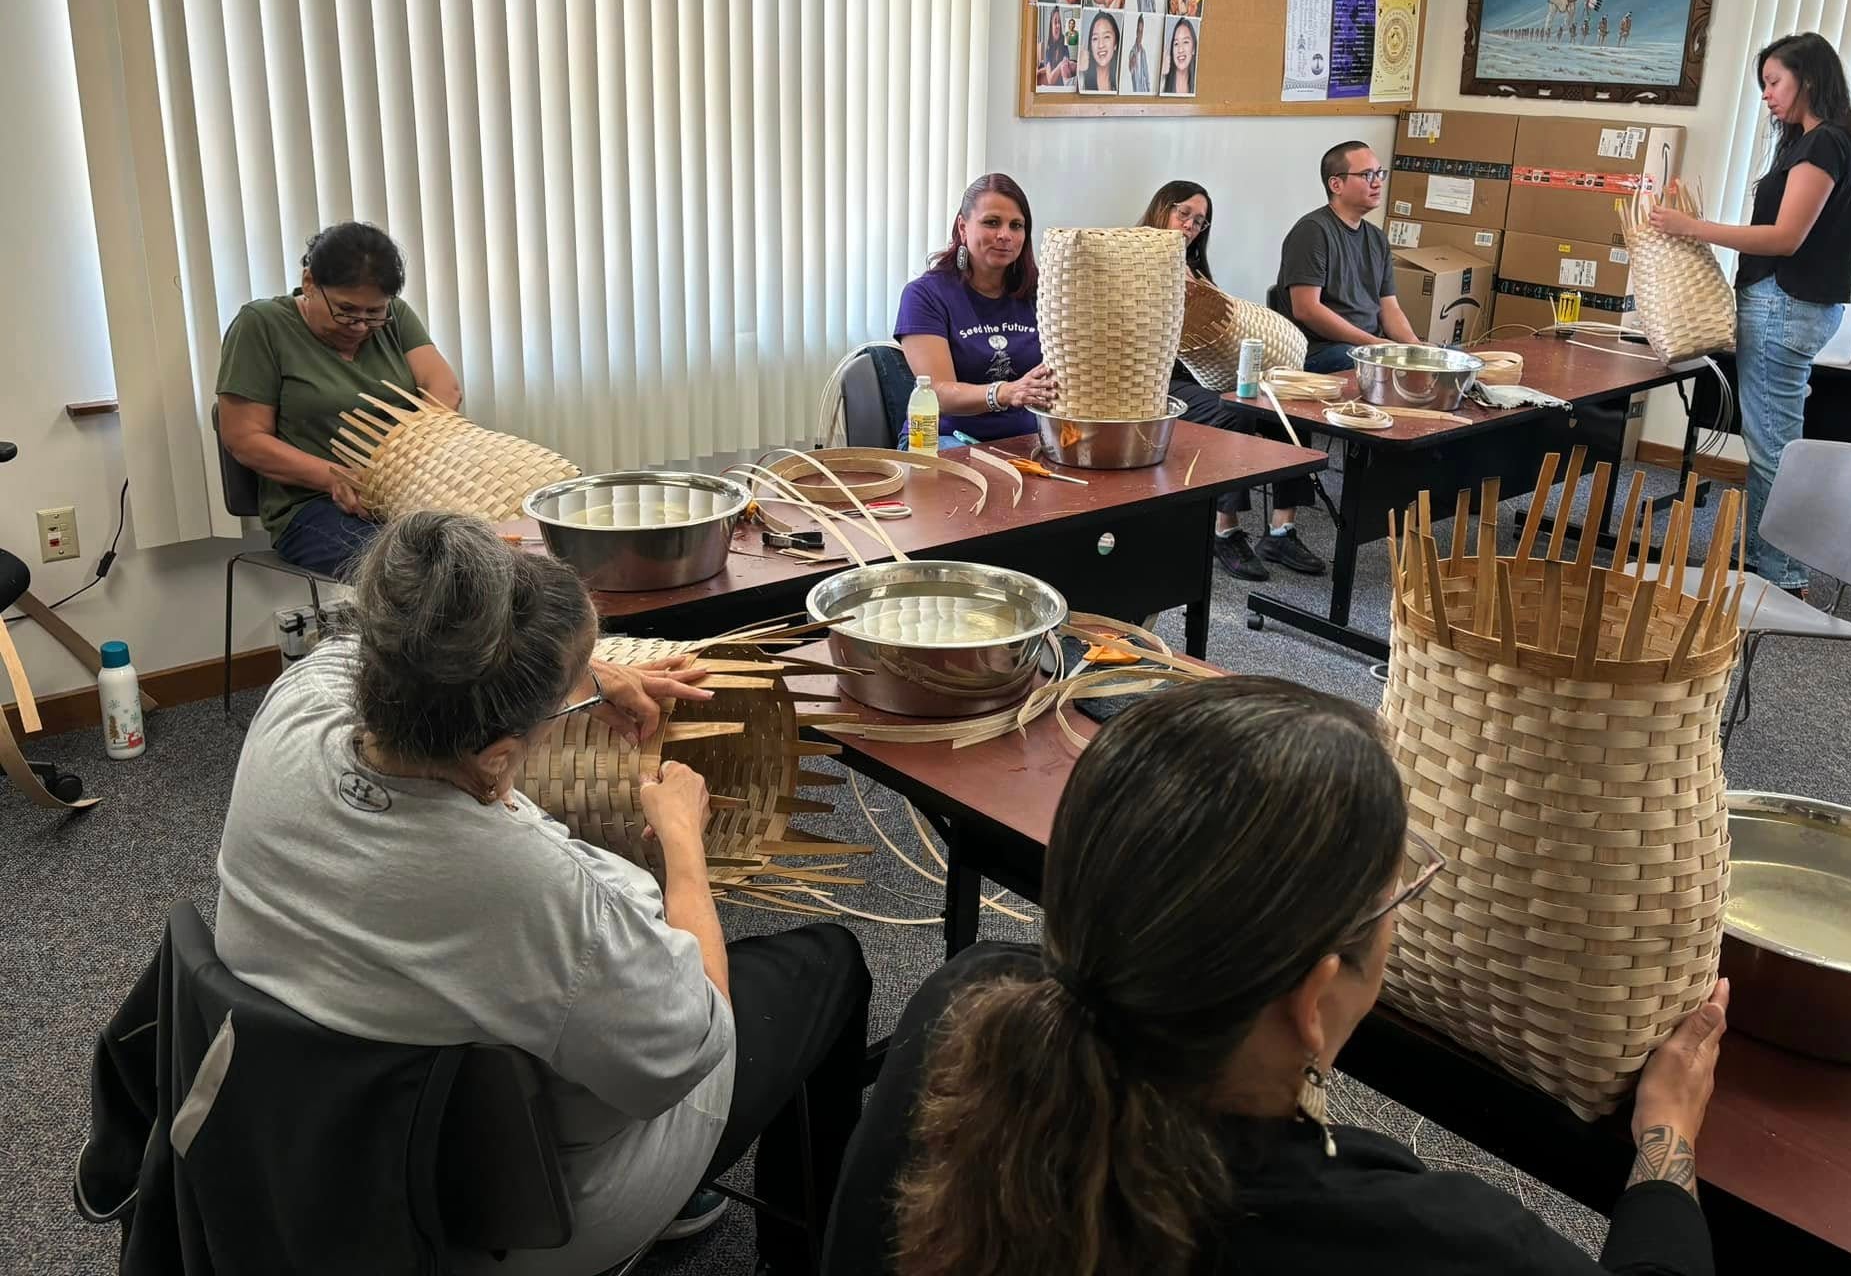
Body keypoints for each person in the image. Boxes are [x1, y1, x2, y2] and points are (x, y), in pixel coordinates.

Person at [821, 678, 1727, 1276]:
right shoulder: (1430, 1243)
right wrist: (1663, 1146)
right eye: (1394, 895)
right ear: (1312, 999)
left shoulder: (960, 1008)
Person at [214, 512, 873, 1274]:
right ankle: (800, 1255)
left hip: (307, 1152)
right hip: (516, 1222)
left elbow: (368, 648)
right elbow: (697, 1039)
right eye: (559, 707)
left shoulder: (294, 711)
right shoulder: (543, 894)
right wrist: (684, 848)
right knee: (827, 962)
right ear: (497, 761)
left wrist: (590, 676)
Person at [1649, 31, 1851, 593]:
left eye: (1775, 83)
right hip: (1795, 306)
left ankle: (1782, 574)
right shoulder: (1828, 140)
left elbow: (1785, 237)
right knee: (1781, 442)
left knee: (1772, 449)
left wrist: (1692, 228)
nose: (1767, 95)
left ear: (1809, 80)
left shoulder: (1823, 145)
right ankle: (1778, 562)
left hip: (1783, 305)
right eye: (1764, 84)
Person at [216, 221, 462, 578]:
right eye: (346, 311)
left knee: (493, 552)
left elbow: (444, 389)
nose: (360, 326)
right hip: (312, 506)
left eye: (374, 313)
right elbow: (245, 439)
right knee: (416, 573)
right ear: (310, 283)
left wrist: (404, 467)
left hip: (406, 492)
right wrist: (337, 478)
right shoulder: (262, 325)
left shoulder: (396, 317)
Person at [1146, 181, 1324, 580]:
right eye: (1184, 214)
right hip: (1159, 379)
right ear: (1162, 209)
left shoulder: (1194, 267)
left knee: (1285, 406)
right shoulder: (1139, 260)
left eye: (1200, 221)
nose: (1191, 225)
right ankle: (1224, 530)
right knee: (1235, 413)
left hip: (1205, 373)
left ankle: (1282, 528)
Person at [896, 174, 1057, 444]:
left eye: (1016, 225)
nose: (1005, 235)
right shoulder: (924, 295)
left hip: (1026, 440)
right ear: (962, 227)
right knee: (987, 483)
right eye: (991, 222)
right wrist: (1005, 393)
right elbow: (937, 393)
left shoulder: (1041, 293)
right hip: (944, 439)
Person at [1277, 141, 1421, 373]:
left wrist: (1415, 348)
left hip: (1366, 347)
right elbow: (1306, 309)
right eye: (1366, 175)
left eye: (1379, 173)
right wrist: (1373, 345)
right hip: (1322, 350)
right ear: (1336, 184)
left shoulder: (1377, 238)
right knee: (1364, 363)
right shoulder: (1312, 231)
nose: (1377, 182)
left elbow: (1389, 307)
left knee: (1449, 357)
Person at [1078, 9, 1122, 94]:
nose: (1101, 45)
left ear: (1115, 44)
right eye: (1095, 38)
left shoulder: (1121, 81)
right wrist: (1079, 72)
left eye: (1106, 37)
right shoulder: (1081, 79)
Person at [1159, 16, 1198, 95]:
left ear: (1193, 48)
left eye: (1185, 42)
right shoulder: (1162, 83)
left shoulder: (1198, 85)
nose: (1180, 50)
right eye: (1176, 43)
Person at [1037, 10, 1076, 88]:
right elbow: (1050, 74)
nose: (1058, 25)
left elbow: (1051, 79)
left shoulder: (1064, 42)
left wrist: (1061, 64)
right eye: (1055, 22)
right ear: (1051, 25)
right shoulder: (1049, 48)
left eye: (1059, 22)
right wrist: (1040, 71)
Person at [1126, 14, 1152, 94]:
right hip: (1136, 91)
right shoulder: (1132, 52)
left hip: (1145, 91)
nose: (1140, 34)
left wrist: (1148, 88)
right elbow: (1130, 69)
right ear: (1136, 31)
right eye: (1139, 31)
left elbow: (1146, 72)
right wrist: (1132, 64)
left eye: (1142, 31)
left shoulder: (1143, 52)